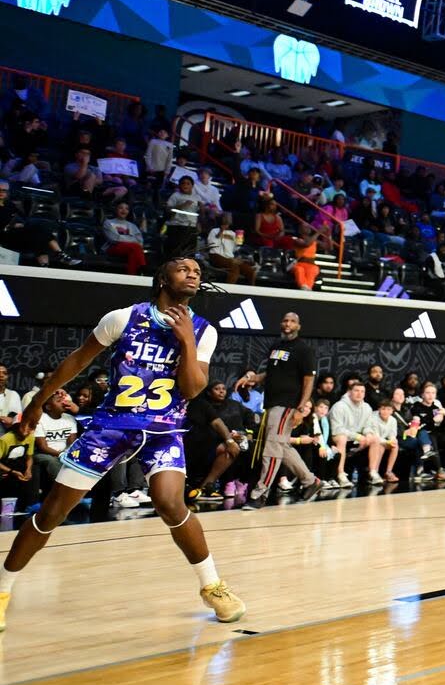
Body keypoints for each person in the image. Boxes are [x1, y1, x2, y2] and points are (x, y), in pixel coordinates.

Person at [0, 257, 245, 632]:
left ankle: (212, 586)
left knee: (170, 503)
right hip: (112, 427)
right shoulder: (122, 318)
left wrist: (186, 340)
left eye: (197, 270)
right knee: (51, 514)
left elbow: (193, 388)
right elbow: (77, 361)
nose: (193, 273)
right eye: (183, 268)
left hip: (163, 431)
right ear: (163, 278)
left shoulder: (203, 330)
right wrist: (36, 402)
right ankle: (3, 589)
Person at [247, 311, 322, 506]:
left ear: (298, 326)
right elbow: (272, 372)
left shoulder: (303, 350)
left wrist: (300, 407)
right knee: (281, 445)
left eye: (292, 321)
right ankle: (311, 481)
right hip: (272, 402)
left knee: (271, 448)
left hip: (287, 405)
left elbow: (308, 381)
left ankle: (260, 493)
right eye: (285, 320)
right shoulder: (275, 346)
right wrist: (254, 378)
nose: (287, 323)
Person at [329, 381, 377, 487]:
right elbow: (337, 429)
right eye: (356, 391)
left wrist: (368, 433)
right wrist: (357, 436)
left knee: (375, 438)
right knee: (342, 438)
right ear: (349, 392)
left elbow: (368, 426)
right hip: (336, 437)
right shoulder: (339, 406)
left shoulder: (367, 407)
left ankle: (372, 473)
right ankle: (341, 475)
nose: (359, 394)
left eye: (362, 391)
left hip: (356, 439)